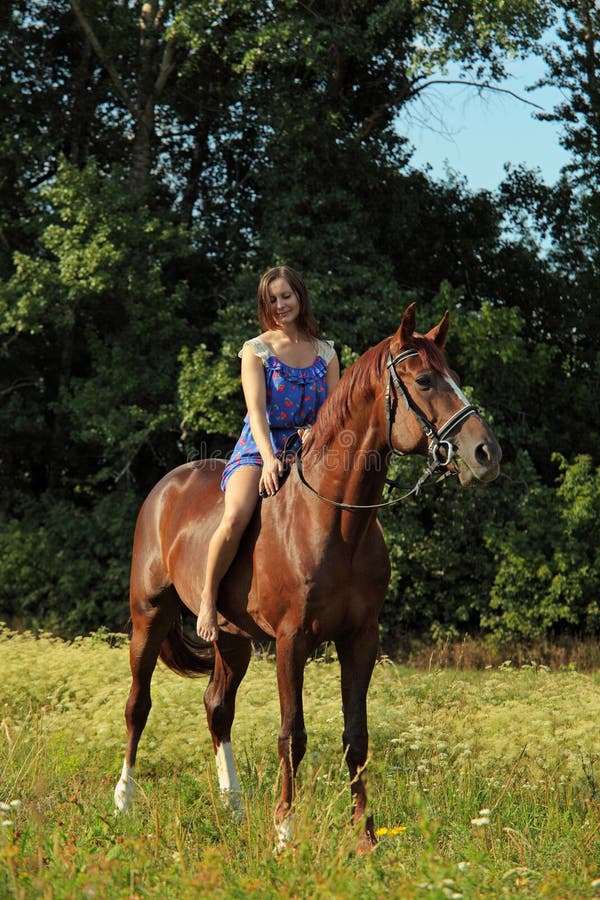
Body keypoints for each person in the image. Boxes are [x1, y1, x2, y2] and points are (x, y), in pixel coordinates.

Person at [196, 265, 340, 642]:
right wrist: (270, 457)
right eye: (271, 299)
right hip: (262, 446)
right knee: (236, 514)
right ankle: (207, 600)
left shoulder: (326, 353)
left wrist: (317, 431)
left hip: (311, 450)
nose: (280, 305)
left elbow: (335, 413)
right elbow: (257, 412)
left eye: (286, 296)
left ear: (300, 296)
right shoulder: (256, 351)